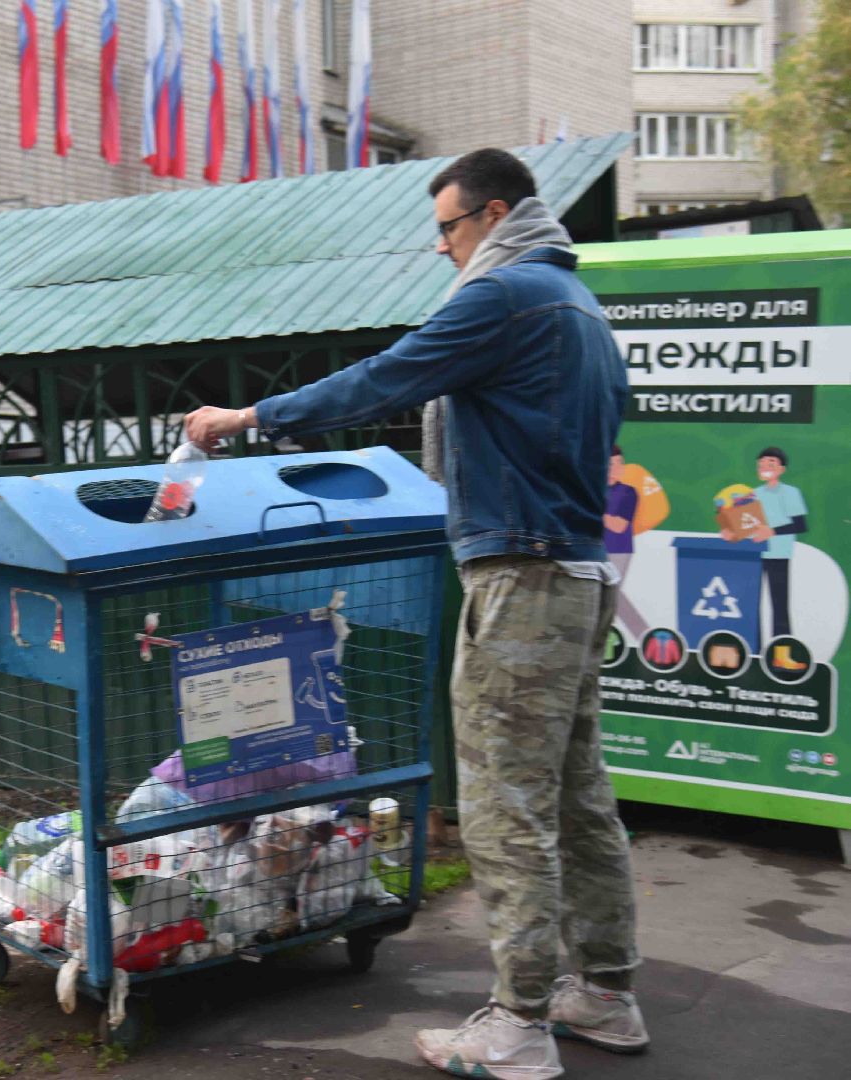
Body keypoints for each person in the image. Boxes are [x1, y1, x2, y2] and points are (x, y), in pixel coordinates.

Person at [185, 149, 646, 1080]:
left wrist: (247, 418)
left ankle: (519, 1025)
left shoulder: (505, 293)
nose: (441, 247)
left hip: (521, 575)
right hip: (582, 573)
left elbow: (386, 378)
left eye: (448, 227)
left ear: (494, 213)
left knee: (504, 805)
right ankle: (604, 991)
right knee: (575, 797)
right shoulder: (582, 309)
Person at [721, 447, 807, 641]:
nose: (765, 466)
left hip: (778, 554)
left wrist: (772, 531)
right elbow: (744, 526)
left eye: (771, 463)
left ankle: (781, 649)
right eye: (762, 463)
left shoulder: (790, 493)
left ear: (781, 469)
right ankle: (754, 648)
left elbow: (800, 524)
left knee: (779, 604)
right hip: (754, 554)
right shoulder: (752, 494)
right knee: (751, 604)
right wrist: (731, 532)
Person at [604, 446, 650, 641]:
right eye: (611, 464)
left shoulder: (627, 493)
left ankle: (643, 635)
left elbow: (618, 526)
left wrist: (592, 509)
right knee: (611, 596)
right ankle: (644, 635)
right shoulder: (594, 490)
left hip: (618, 550)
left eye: (619, 463)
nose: (616, 468)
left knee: (610, 595)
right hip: (595, 549)